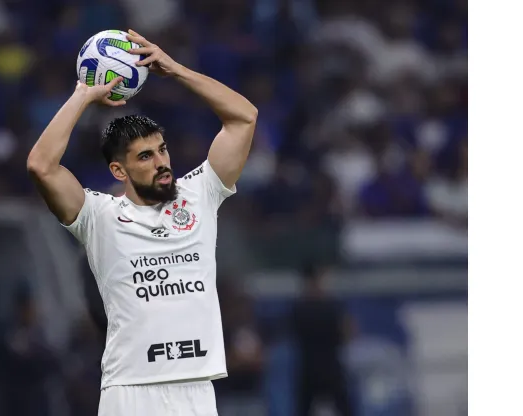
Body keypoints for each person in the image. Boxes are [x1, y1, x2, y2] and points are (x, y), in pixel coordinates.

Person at [27, 29, 258, 416]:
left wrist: (177, 70)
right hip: (131, 391)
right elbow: (41, 166)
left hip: (196, 389)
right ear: (119, 170)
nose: (162, 162)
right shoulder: (98, 217)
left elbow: (243, 118)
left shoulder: (199, 194)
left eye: (162, 150)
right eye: (146, 157)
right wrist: (83, 95)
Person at [288, 264, 355, 416]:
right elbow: (348, 332)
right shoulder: (328, 306)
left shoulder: (300, 307)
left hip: (319, 367)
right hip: (320, 368)